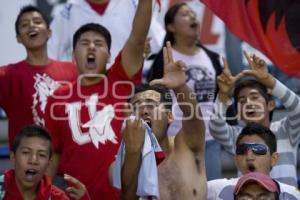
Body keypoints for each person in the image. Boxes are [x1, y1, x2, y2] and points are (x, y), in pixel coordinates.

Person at [45, 0, 153, 199]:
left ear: (110, 55)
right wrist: (44, 193)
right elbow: (53, 154)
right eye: (84, 43)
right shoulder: (56, 99)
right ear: (73, 55)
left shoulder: (122, 79)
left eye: (99, 43)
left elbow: (138, 38)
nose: (92, 47)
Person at [146, 2, 229, 180]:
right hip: (174, 140)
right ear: (170, 26)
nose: (192, 16)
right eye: (184, 14)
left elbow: (221, 97)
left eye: (193, 13)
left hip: (209, 139)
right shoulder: (163, 60)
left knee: (212, 192)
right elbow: (152, 98)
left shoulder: (212, 58)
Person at [114, 42, 206, 200]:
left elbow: (194, 119)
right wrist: (132, 152)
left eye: (151, 105)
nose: (143, 111)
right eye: (137, 107)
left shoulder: (186, 148)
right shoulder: (121, 161)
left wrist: (180, 87)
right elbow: (127, 197)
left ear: (170, 116)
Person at [209, 52, 300, 186]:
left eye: (255, 97)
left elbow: (297, 107)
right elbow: (216, 127)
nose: (249, 103)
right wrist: (223, 95)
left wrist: (268, 80)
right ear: (238, 113)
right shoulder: (237, 136)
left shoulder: (285, 130)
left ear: (271, 105)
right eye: (242, 100)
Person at [0, 5, 78, 149]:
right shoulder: (7, 75)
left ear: (49, 32)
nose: (31, 26)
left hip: (67, 162)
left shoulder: (73, 71)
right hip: (29, 165)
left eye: (37, 21)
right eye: (24, 24)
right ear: (18, 38)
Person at [48, 0, 165, 64]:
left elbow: (157, 43)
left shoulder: (132, 3)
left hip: (127, 82)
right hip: (84, 87)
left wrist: (144, 49)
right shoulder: (70, 9)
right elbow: (49, 51)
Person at [207, 123, 300, 200]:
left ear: (273, 159)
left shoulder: (292, 195)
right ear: (236, 160)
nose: (249, 157)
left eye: (258, 149)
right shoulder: (215, 190)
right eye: (242, 150)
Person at [0, 124, 89, 200]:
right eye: (26, 152)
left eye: (41, 155)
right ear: (13, 157)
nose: (33, 160)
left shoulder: (57, 197)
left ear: (48, 163)